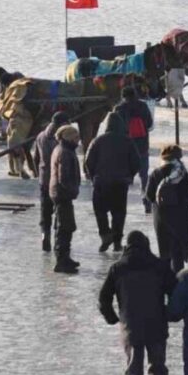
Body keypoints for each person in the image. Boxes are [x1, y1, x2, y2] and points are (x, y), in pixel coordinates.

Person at [99, 231, 176, 375]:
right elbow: (176, 292)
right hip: (156, 327)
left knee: (134, 372)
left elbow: (103, 299)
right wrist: (170, 314)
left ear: (126, 246)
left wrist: (113, 318)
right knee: (158, 370)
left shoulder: (118, 268)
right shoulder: (160, 266)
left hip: (130, 328)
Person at [85, 112, 141, 252]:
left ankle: (105, 235)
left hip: (101, 182)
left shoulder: (97, 141)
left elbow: (88, 161)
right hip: (120, 183)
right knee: (119, 213)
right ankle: (117, 241)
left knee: (100, 211)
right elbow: (136, 162)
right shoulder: (127, 141)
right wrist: (129, 175)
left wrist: (94, 176)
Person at [146, 145, 188, 273]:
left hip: (161, 217)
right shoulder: (181, 173)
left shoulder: (156, 173)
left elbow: (149, 195)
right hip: (180, 218)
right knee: (177, 253)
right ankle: (178, 281)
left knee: (164, 252)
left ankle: (165, 283)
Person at [31, 110, 70, 253]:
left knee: (45, 211)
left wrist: (38, 173)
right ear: (63, 124)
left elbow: (36, 158)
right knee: (60, 210)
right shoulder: (61, 139)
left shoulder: (40, 136)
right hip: (58, 181)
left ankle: (44, 235)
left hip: (44, 179)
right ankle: (57, 240)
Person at [114, 86, 154, 213]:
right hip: (142, 146)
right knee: (144, 176)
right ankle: (146, 200)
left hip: (125, 148)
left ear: (123, 96)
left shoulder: (119, 109)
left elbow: (115, 128)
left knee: (124, 178)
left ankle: (121, 204)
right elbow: (149, 123)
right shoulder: (143, 106)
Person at [50, 124, 83, 274]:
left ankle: (65, 257)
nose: (78, 140)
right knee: (65, 227)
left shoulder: (63, 149)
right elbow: (64, 177)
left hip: (60, 193)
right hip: (63, 194)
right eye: (76, 137)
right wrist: (72, 190)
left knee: (65, 226)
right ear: (69, 137)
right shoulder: (65, 152)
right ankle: (62, 260)